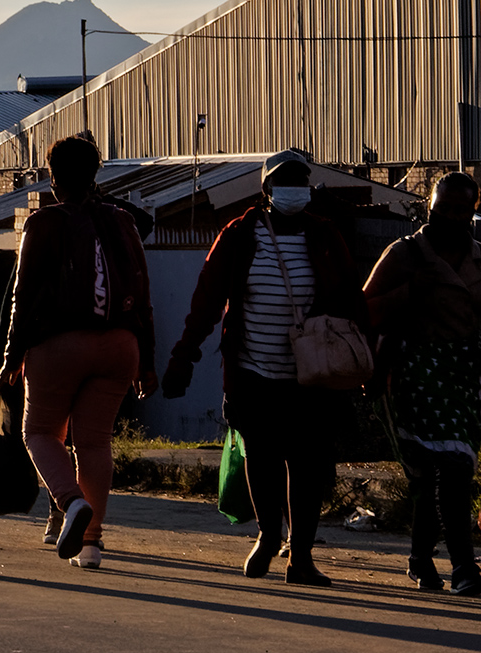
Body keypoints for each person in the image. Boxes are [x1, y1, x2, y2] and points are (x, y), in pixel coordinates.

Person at [165, 149, 364, 585]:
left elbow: (351, 299)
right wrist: (184, 355)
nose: (293, 191)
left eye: (300, 183)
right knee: (263, 457)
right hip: (252, 372)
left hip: (312, 376)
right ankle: (268, 536)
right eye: (284, 183)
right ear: (266, 189)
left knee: (308, 464)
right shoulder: (239, 235)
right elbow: (206, 302)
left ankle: (302, 556)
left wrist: (365, 361)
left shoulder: (326, 236)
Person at [0, 136, 154, 571]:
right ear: (96, 174)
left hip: (59, 343)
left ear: (51, 176)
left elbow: (24, 295)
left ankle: (70, 503)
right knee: (95, 441)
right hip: (121, 345)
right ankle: (91, 544)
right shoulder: (123, 221)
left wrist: (12, 356)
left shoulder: (43, 223)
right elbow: (142, 293)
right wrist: (149, 361)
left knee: (40, 432)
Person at [364, 171, 481, 593]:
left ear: (472, 212)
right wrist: (410, 291)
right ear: (427, 207)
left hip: (465, 378)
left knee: (446, 471)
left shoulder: (478, 259)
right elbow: (366, 310)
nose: (448, 216)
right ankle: (465, 568)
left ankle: (420, 558)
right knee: (445, 469)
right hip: (413, 373)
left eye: (458, 210)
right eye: (440, 208)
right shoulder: (405, 254)